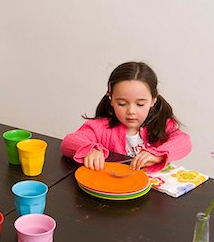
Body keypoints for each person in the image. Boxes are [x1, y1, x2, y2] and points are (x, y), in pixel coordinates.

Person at [61, 61, 191, 173]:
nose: (131, 111)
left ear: (153, 100)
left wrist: (158, 156)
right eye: (122, 103)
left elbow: (184, 142)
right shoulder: (100, 127)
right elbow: (69, 142)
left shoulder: (160, 124)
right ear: (111, 99)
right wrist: (90, 150)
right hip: (114, 191)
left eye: (140, 104)